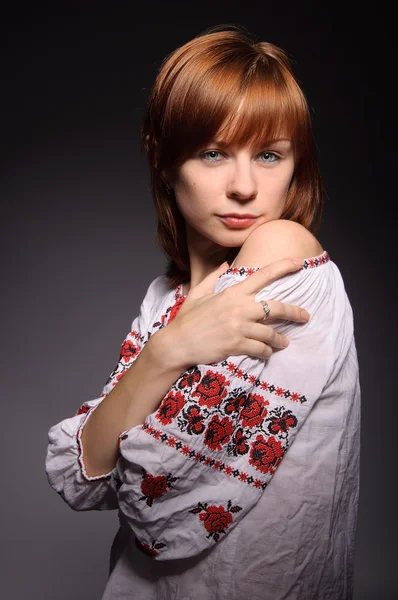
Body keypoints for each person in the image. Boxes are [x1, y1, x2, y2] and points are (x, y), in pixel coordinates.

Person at [45, 24, 360, 600]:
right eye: (213, 153)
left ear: (296, 166)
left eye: (269, 154)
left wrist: (144, 384)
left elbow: (158, 506)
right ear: (165, 162)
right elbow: (79, 476)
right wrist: (167, 350)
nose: (245, 186)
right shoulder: (165, 302)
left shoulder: (283, 254)